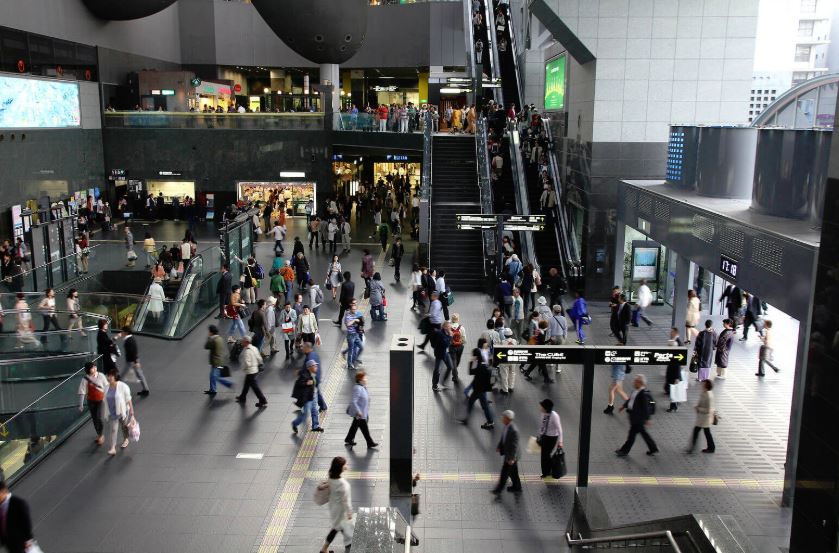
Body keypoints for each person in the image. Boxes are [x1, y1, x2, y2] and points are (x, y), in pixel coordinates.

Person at [615, 374, 658, 457]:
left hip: (638, 419)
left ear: (640, 383)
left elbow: (645, 408)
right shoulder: (635, 391)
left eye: (635, 381)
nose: (633, 383)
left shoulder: (643, 394)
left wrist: (647, 419)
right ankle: (653, 448)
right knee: (644, 434)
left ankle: (624, 451)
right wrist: (623, 406)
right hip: (635, 417)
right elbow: (630, 400)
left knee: (631, 436)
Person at [318, 456, 354, 553]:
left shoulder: (330, 476)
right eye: (345, 464)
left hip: (333, 507)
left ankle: (324, 549)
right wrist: (349, 512)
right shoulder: (343, 485)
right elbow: (346, 501)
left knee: (336, 528)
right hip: (341, 511)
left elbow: (328, 485)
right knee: (347, 533)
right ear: (341, 468)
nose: (346, 465)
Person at [459, 338, 495, 429]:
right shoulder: (484, 364)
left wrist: (472, 361)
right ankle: (466, 419)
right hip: (480, 388)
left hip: (479, 389)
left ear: (476, 356)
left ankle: (490, 422)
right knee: (472, 402)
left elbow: (471, 372)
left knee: (484, 406)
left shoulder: (478, 365)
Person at [344, 371, 379, 448]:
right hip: (359, 414)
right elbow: (354, 401)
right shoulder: (358, 388)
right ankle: (370, 442)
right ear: (360, 380)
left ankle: (349, 439)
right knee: (364, 429)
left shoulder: (362, 387)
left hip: (362, 413)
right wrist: (358, 411)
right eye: (365, 378)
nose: (366, 379)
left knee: (355, 426)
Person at [0, 477, 35, 553]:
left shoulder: (18, 503)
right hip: (9, 543)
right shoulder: (1, 506)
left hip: (22, 542)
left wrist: (28, 539)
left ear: (3, 491)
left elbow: (26, 522)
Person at [104, 369, 134, 456]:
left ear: (115, 376)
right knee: (113, 429)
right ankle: (113, 448)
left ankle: (126, 439)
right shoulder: (106, 387)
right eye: (108, 376)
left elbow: (128, 399)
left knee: (124, 426)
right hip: (112, 412)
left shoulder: (123, 386)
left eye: (111, 376)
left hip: (123, 411)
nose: (109, 377)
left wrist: (132, 411)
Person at [491, 410, 522, 494]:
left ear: (507, 419)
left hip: (511, 456)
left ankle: (498, 489)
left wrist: (511, 458)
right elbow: (503, 438)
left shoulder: (513, 430)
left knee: (504, 473)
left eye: (503, 417)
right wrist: (499, 446)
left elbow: (514, 446)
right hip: (509, 454)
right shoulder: (506, 426)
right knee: (513, 473)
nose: (501, 418)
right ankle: (517, 487)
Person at [78, 361, 107, 445]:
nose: (94, 368)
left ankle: (101, 435)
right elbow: (82, 392)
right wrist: (81, 405)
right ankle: (99, 434)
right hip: (91, 401)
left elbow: (106, 387)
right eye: (92, 368)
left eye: (95, 367)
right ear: (88, 370)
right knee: (94, 419)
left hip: (101, 400)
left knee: (99, 417)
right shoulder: (85, 379)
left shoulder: (101, 376)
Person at [292, 359, 324, 434]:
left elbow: (315, 383)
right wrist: (307, 383)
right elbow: (299, 384)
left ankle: (315, 426)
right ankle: (295, 423)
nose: (316, 367)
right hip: (308, 398)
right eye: (314, 366)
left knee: (315, 411)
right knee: (305, 414)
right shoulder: (304, 375)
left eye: (316, 365)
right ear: (309, 367)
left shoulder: (313, 374)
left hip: (314, 395)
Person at [235, 335, 268, 408]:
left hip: (250, 371)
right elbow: (259, 358)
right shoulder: (254, 348)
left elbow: (247, 363)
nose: (242, 343)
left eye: (243, 342)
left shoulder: (247, 351)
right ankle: (242, 397)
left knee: (255, 387)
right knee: (246, 384)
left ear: (246, 342)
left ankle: (262, 400)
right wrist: (260, 364)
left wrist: (243, 368)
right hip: (255, 370)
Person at [687, 379, 716, 453]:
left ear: (707, 386)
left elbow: (708, 410)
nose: (702, 385)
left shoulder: (709, 396)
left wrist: (699, 409)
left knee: (697, 431)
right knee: (706, 432)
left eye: (704, 384)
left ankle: (692, 448)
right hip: (702, 418)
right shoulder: (704, 392)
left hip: (705, 418)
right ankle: (711, 447)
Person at [119, 326, 149, 396]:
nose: (121, 333)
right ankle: (145, 389)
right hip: (132, 361)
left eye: (122, 331)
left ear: (126, 332)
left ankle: (117, 389)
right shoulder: (131, 338)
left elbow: (133, 352)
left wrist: (136, 362)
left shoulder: (129, 340)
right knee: (139, 374)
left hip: (131, 361)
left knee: (123, 375)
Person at [537, 399, 563, 478]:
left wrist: (560, 441)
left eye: (542, 406)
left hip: (552, 438)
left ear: (546, 408)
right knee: (544, 455)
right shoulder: (543, 414)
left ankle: (547, 471)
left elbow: (559, 429)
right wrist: (539, 435)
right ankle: (547, 471)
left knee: (546, 455)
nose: (540, 407)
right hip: (544, 436)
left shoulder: (554, 416)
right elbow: (542, 425)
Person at [204, 324, 232, 395]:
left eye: (209, 331)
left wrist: (209, 338)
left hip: (216, 362)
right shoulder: (219, 338)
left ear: (211, 332)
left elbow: (206, 346)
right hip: (219, 361)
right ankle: (212, 389)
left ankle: (228, 384)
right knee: (213, 376)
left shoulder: (213, 340)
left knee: (215, 376)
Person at [665, 327, 685, 412]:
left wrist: (677, 376)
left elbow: (678, 362)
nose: (670, 333)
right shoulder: (674, 341)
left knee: (673, 389)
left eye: (672, 332)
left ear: (676, 333)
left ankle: (673, 406)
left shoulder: (677, 343)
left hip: (674, 371)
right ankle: (674, 404)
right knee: (672, 388)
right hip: (672, 369)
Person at [431, 322, 454, 391]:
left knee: (450, 367)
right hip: (440, 354)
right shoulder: (440, 334)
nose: (450, 328)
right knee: (437, 370)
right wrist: (450, 336)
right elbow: (446, 344)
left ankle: (443, 382)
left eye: (450, 327)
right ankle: (434, 385)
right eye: (449, 327)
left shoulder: (446, 332)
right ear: (445, 327)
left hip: (445, 353)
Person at [343, 300, 365, 370]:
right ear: (350, 309)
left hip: (356, 334)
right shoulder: (348, 316)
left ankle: (355, 359)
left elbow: (360, 321)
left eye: (355, 309)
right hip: (350, 336)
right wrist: (355, 320)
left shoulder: (355, 314)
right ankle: (349, 365)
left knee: (361, 347)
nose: (354, 311)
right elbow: (348, 324)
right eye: (353, 309)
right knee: (351, 351)